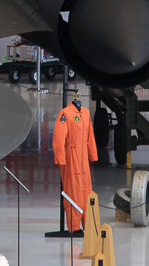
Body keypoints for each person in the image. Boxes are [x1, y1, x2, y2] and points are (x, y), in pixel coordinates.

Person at [52, 96, 96, 231]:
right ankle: (74, 226)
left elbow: (90, 136)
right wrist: (60, 158)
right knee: (73, 192)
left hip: (83, 159)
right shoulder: (65, 114)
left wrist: (92, 154)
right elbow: (58, 137)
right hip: (71, 157)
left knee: (87, 191)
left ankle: (88, 225)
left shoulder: (86, 113)